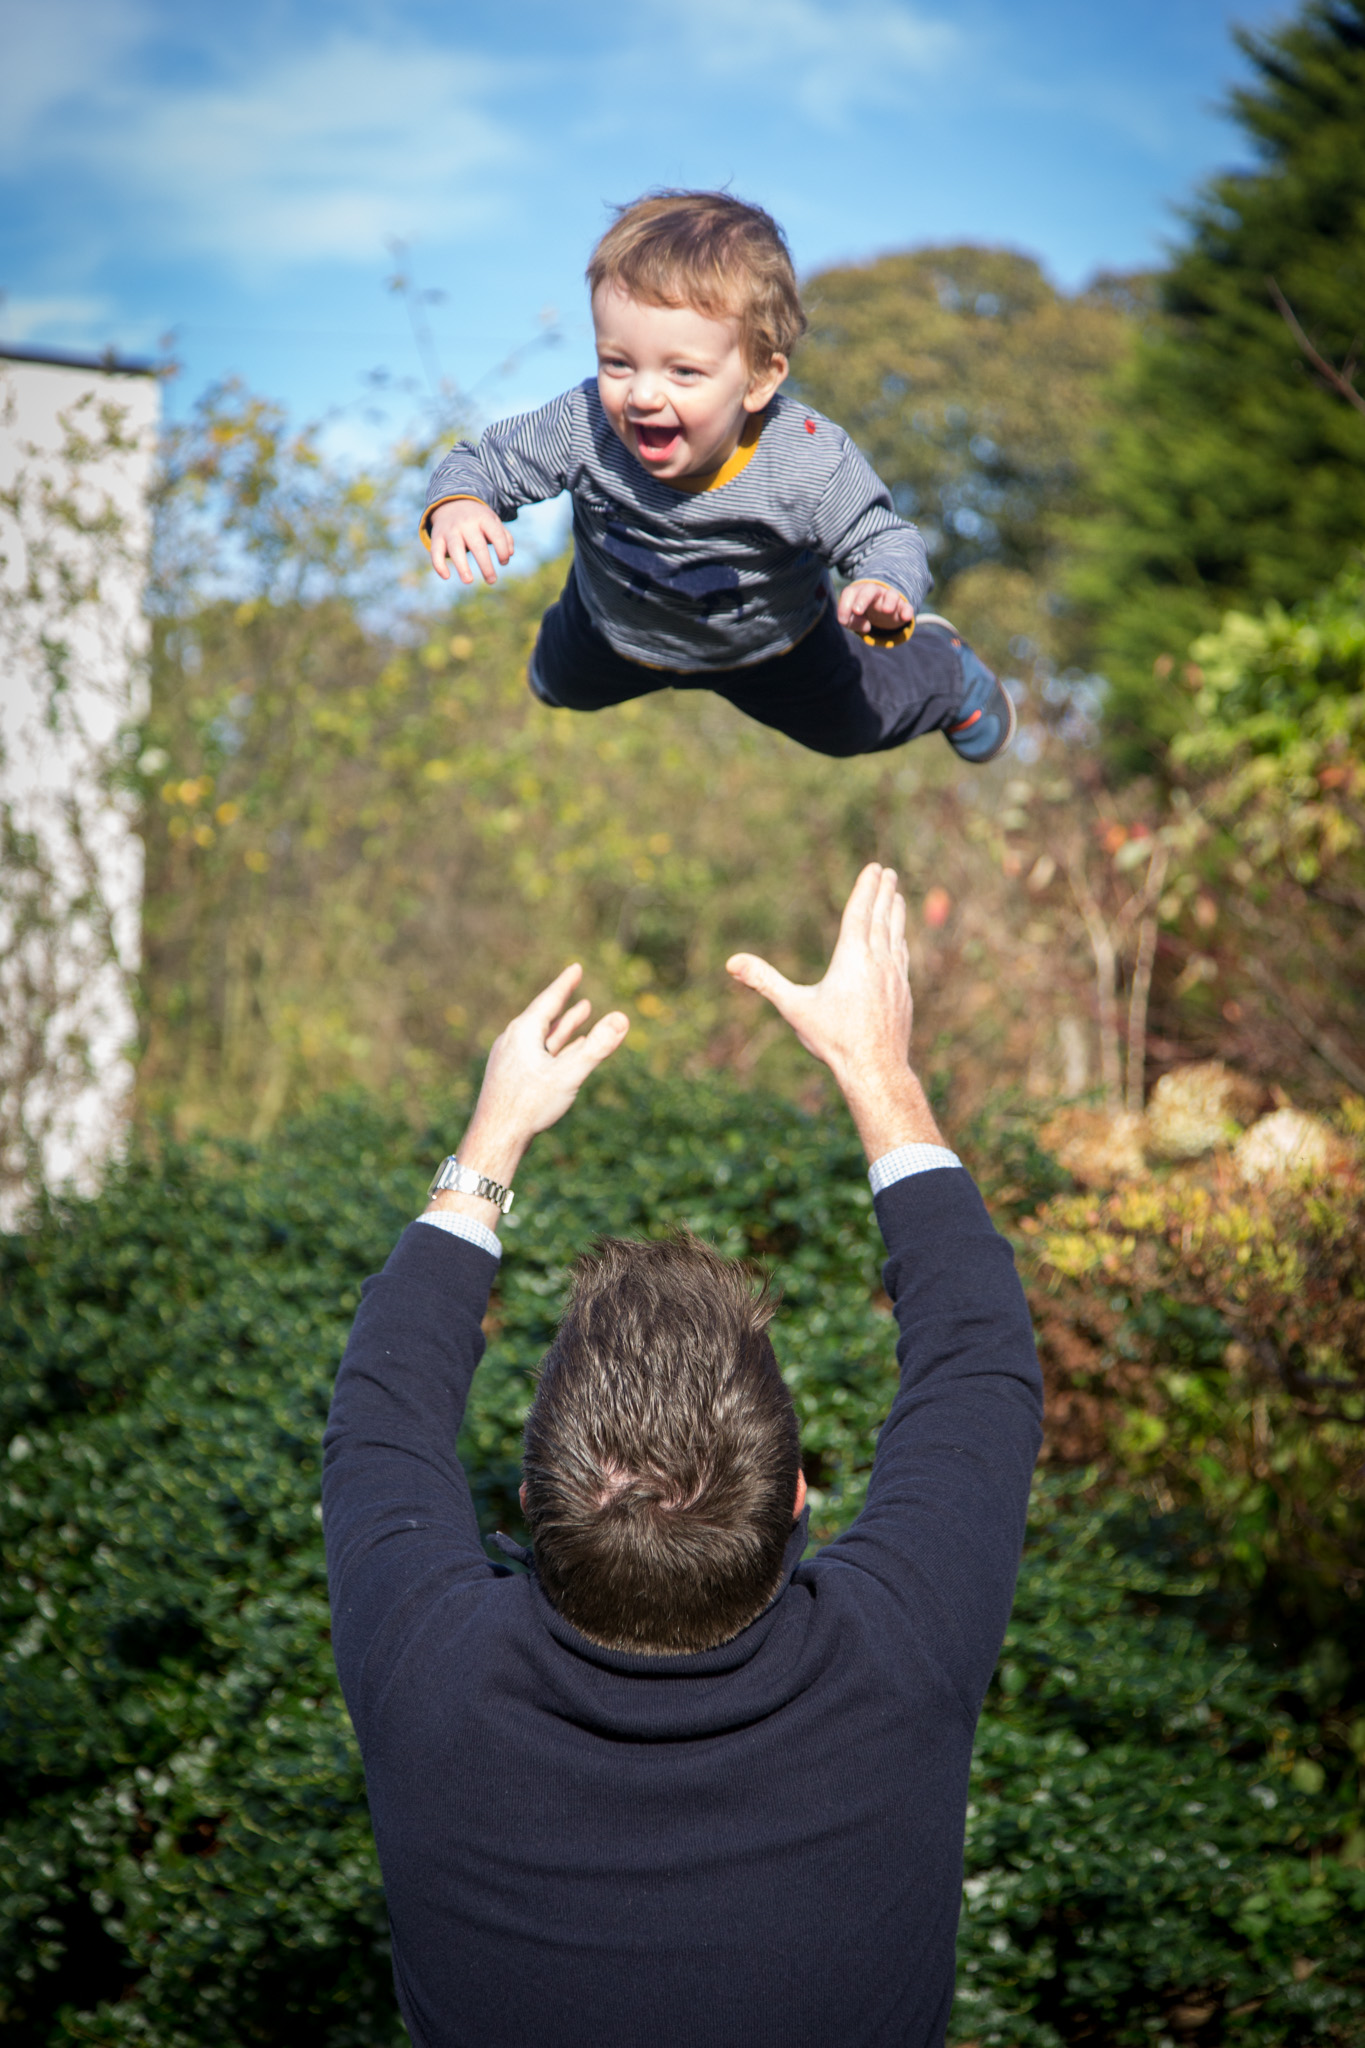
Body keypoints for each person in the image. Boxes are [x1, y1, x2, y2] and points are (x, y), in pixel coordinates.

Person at [323, 864, 1043, 2048]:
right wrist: (879, 1069)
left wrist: (492, 1133)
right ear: (801, 1496)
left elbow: (379, 1414)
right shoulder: (898, 1661)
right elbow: (981, 1359)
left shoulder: (432, 1680)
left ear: (530, 1503)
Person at [420, 191, 1016, 765]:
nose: (643, 394)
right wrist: (460, 502)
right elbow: (483, 460)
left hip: (776, 648)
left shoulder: (806, 461)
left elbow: (886, 538)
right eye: (617, 363)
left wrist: (886, 584)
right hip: (612, 630)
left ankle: (947, 671)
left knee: (852, 727)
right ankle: (572, 652)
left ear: (759, 378)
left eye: (683, 371)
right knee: (556, 686)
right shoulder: (582, 423)